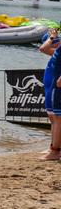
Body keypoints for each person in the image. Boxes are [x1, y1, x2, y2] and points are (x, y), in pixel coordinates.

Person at [39, 29, 61, 160]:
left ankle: (55, 150)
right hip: (51, 87)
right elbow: (44, 48)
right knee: (54, 119)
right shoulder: (56, 52)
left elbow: (43, 48)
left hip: (56, 87)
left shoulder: (56, 48)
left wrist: (52, 37)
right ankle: (53, 147)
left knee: (57, 119)